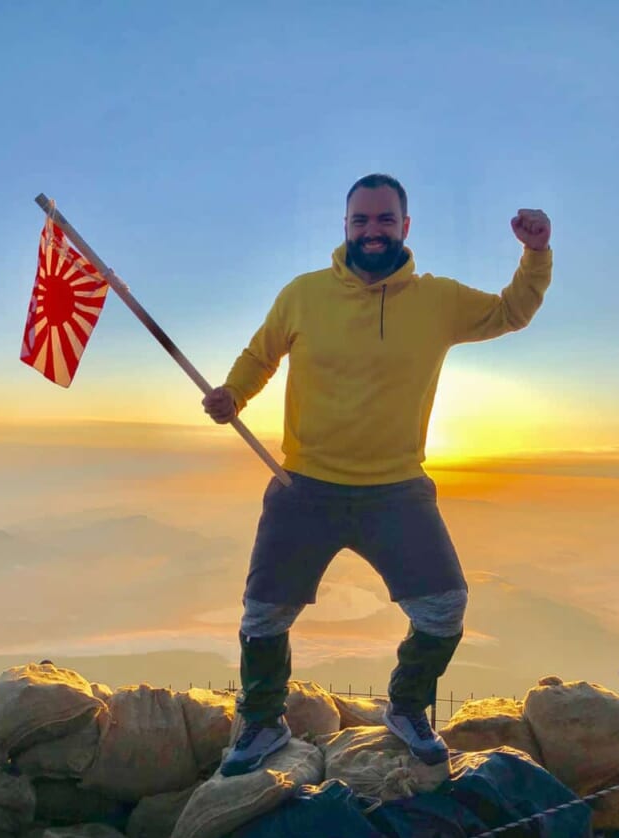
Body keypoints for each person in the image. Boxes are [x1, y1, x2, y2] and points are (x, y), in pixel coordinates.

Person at [203, 173, 552, 777]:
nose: (372, 231)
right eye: (361, 220)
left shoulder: (436, 299)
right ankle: (261, 721)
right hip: (303, 484)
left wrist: (536, 252)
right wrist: (234, 392)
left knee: (443, 607)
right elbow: (262, 355)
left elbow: (510, 311)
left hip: (396, 490)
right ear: (344, 227)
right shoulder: (303, 294)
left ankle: (407, 706)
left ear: (405, 227)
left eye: (384, 220)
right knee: (264, 614)